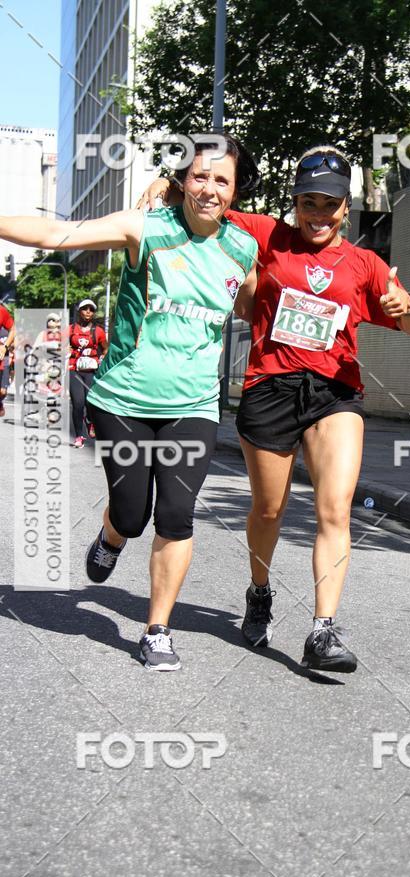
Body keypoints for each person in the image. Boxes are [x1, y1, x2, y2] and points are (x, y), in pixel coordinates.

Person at [140, 143, 410, 674]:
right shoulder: (267, 236)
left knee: (334, 508)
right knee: (269, 510)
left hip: (334, 394)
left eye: (330, 204)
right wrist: (168, 187)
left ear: (347, 208)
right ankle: (260, 589)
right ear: (294, 202)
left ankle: (322, 630)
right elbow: (207, 201)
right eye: (309, 202)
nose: (319, 214)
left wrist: (405, 307)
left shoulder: (365, 263)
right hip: (270, 389)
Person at [0, 135, 260, 671]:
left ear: (236, 192)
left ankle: (156, 630)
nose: (209, 188)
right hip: (124, 399)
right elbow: (58, 232)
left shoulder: (243, 248)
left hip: (194, 405)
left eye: (222, 180)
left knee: (176, 515)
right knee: (133, 512)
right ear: (182, 181)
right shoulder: (146, 229)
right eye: (199, 176)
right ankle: (113, 534)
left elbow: (255, 303)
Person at [68, 299, 107, 447]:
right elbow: (62, 346)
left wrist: (101, 358)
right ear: (79, 311)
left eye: (91, 309)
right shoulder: (71, 329)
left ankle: (90, 420)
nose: (88, 311)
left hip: (91, 370)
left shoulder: (98, 331)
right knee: (78, 403)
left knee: (89, 401)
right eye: (85, 308)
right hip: (74, 369)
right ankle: (79, 436)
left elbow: (105, 348)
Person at [0, 302, 15, 418]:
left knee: (2, 391)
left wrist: (5, 347)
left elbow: (13, 330)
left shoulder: (2, 311)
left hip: (3, 357)